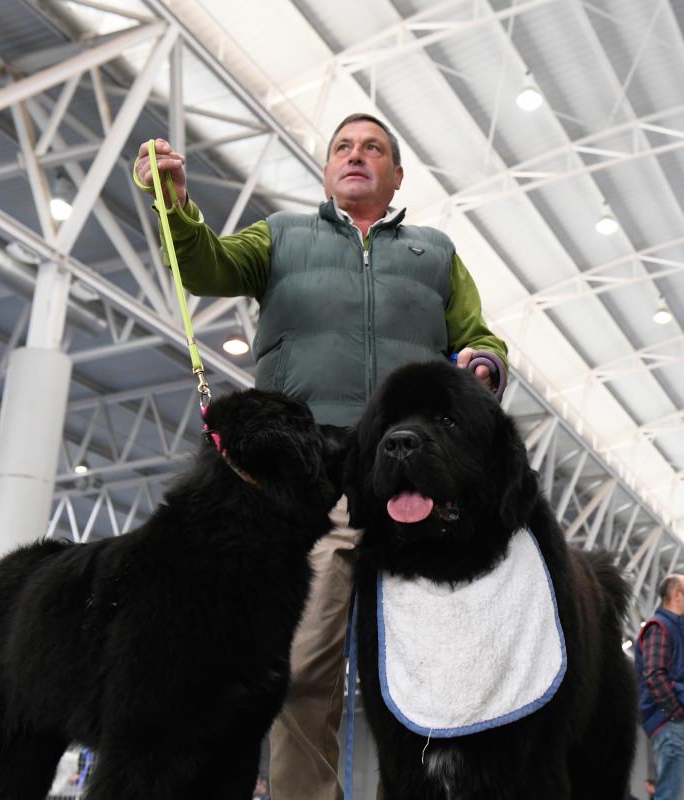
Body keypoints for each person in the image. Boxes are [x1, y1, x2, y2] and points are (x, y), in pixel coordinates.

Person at [134, 113, 508, 800]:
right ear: (328, 169)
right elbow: (204, 266)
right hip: (308, 486)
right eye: (342, 146)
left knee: (428, 670)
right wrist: (174, 204)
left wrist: (480, 366)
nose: (355, 155)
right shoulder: (280, 238)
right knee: (303, 664)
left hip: (410, 485)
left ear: (397, 176)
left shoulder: (436, 253)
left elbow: (478, 337)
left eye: (373, 148)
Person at [636, 574, 684, 800]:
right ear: (677, 594)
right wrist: (677, 713)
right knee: (670, 795)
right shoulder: (660, 627)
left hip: (672, 723)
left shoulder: (674, 629)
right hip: (670, 723)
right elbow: (654, 674)